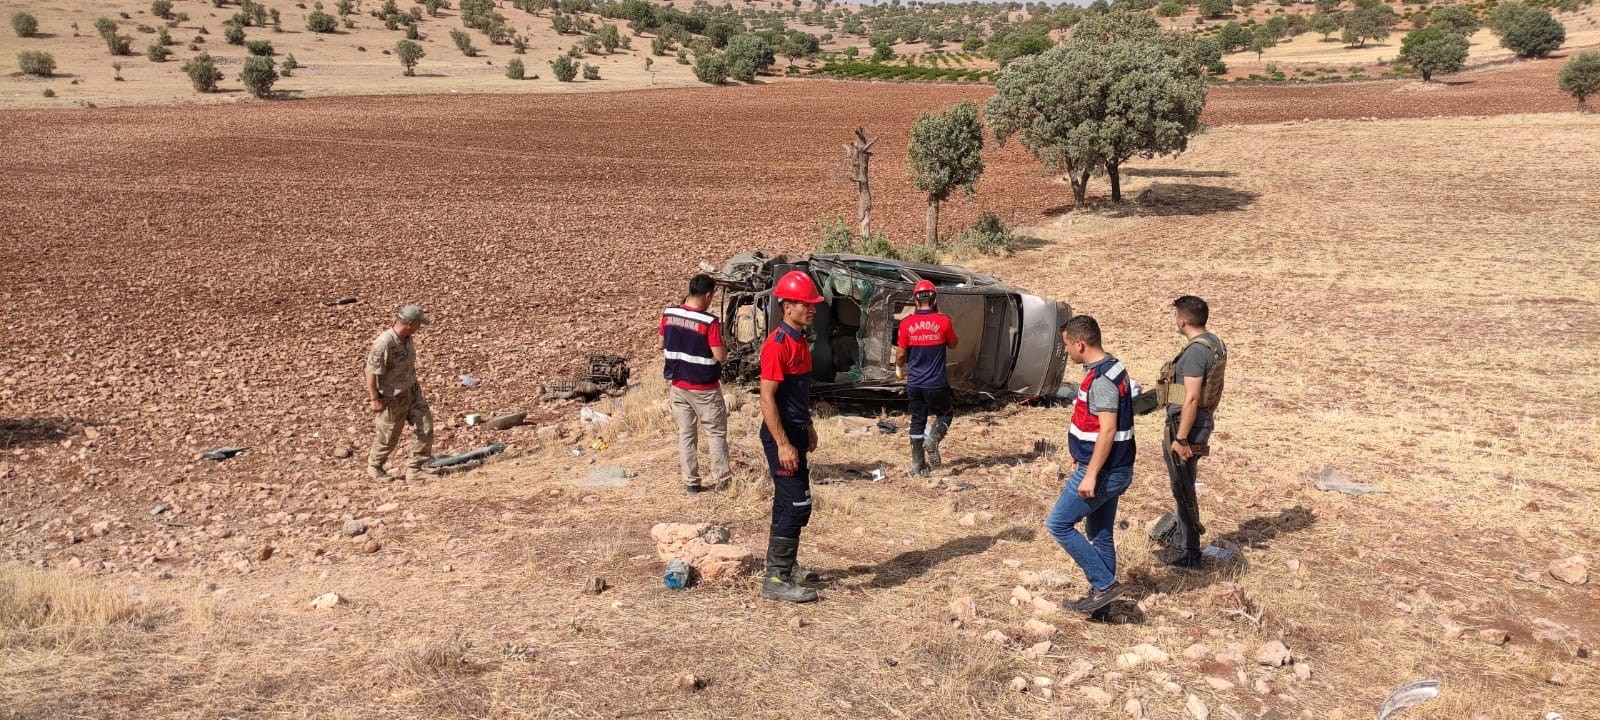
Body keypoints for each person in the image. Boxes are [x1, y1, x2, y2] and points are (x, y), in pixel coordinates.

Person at [1044, 315, 1136, 616]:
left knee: (1058, 523)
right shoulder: (1113, 366)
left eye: (1067, 345)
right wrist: (1081, 449)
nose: (1066, 351)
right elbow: (1096, 426)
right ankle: (1103, 607)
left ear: (1080, 344)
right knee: (1100, 532)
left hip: (1104, 471)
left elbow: (1108, 429)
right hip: (1115, 466)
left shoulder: (1101, 381)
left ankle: (1104, 584)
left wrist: (1091, 473)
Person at [757, 270, 826, 603]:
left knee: (787, 503)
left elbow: (798, 393)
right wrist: (783, 443)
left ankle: (784, 566)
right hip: (780, 438)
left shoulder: (800, 341)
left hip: (797, 432)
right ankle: (776, 580)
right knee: (798, 505)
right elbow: (767, 398)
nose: (812, 309)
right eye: (806, 304)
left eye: (813, 304)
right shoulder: (777, 345)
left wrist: (808, 425)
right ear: (787, 306)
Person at [1156, 295, 1228, 569]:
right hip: (1199, 420)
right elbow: (1216, 389)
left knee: (1182, 488)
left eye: (1176, 316)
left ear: (1182, 320)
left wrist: (1182, 437)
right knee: (1185, 485)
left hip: (1185, 426)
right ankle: (1185, 542)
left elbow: (1192, 398)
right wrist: (1209, 416)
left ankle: (1188, 551)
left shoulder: (1196, 352)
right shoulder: (1215, 344)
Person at [659, 274, 731, 496]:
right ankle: (723, 481)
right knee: (716, 434)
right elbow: (720, 356)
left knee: (686, 435)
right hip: (705, 389)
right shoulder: (709, 322)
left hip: (678, 386)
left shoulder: (669, 314)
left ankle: (691, 483)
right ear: (708, 295)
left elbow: (661, 342)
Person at [365, 304, 440, 482]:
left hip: (412, 390)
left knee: (425, 426)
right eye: (419, 324)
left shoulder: (407, 337)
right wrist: (374, 398)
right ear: (410, 323)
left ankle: (415, 469)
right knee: (388, 435)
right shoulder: (384, 343)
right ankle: (375, 468)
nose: (420, 328)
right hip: (393, 396)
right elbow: (370, 371)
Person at [893, 279, 958, 476]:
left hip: (914, 383)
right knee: (946, 412)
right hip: (936, 383)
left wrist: (898, 368)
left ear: (915, 299)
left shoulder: (906, 324)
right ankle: (934, 439)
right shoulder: (944, 321)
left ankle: (918, 465)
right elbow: (954, 344)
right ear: (935, 298)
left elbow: (901, 354)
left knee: (917, 420)